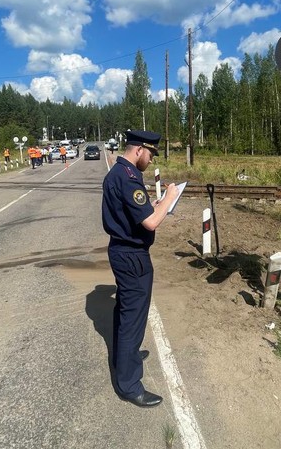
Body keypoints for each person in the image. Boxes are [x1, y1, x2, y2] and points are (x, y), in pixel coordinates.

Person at [101, 130, 179, 408]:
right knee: (133, 317)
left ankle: (126, 355)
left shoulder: (120, 174)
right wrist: (169, 198)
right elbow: (150, 224)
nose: (151, 159)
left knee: (125, 309)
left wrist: (153, 206)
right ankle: (129, 384)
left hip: (123, 252)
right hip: (132, 256)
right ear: (138, 150)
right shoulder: (128, 176)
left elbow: (138, 212)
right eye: (150, 153)